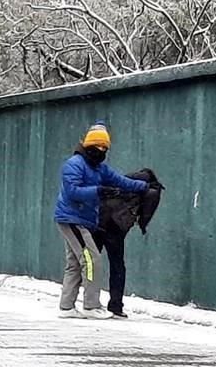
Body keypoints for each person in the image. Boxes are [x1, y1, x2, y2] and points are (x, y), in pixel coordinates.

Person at [54, 122, 148, 320]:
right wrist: (98, 191)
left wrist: (144, 186)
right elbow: (73, 192)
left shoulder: (99, 168)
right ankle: (91, 305)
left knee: (74, 263)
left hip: (81, 219)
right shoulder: (74, 165)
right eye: (98, 146)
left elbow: (120, 181)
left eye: (105, 148)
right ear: (89, 145)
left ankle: (66, 307)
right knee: (91, 260)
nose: (102, 150)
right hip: (72, 218)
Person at [95, 169, 165, 318]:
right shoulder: (151, 190)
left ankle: (87, 302)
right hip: (116, 228)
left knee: (90, 263)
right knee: (117, 266)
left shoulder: (122, 181)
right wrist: (142, 225)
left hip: (100, 221)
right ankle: (116, 306)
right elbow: (146, 213)